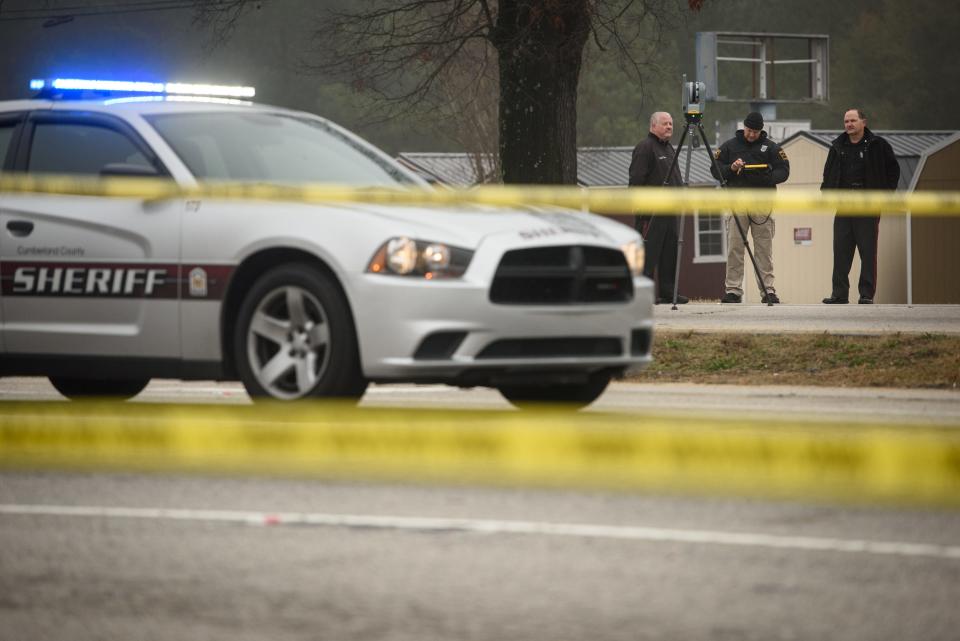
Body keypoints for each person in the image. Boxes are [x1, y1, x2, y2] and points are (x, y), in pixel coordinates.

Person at [820, 108, 900, 304]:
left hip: (868, 206)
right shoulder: (837, 146)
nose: (849, 124)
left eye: (853, 120)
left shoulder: (878, 145)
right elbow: (828, 173)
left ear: (863, 122)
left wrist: (885, 196)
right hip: (844, 206)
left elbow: (893, 171)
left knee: (868, 252)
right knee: (840, 252)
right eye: (846, 121)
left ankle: (866, 294)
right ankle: (839, 294)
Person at [710, 111, 790, 304]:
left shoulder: (771, 148)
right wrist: (732, 168)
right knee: (735, 247)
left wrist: (766, 177)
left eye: (755, 131)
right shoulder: (729, 146)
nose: (752, 134)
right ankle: (733, 290)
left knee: (764, 248)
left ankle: (768, 290)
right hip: (736, 202)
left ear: (761, 130)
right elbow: (715, 168)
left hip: (762, 203)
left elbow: (784, 170)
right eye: (749, 130)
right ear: (743, 127)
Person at [629, 111, 688, 304]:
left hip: (671, 211)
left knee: (669, 252)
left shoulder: (669, 148)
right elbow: (636, 179)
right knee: (649, 253)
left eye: (671, 124)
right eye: (665, 124)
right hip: (651, 212)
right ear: (653, 126)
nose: (669, 127)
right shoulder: (645, 148)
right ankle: (643, 294)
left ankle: (667, 292)